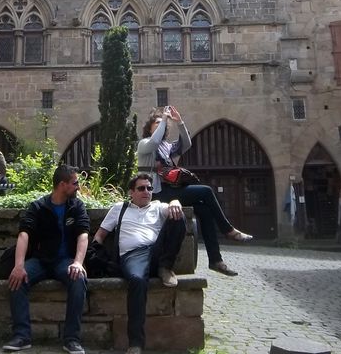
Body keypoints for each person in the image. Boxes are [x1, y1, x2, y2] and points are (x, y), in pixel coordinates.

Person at [136, 106, 252, 277]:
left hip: (171, 190)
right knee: (206, 191)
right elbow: (154, 142)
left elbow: (186, 144)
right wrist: (165, 119)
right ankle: (228, 230)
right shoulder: (145, 144)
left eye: (163, 124)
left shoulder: (166, 147)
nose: (162, 125)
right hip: (157, 193)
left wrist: (179, 122)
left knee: (204, 210)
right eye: (157, 123)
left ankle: (215, 260)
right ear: (150, 127)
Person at [93, 173, 186, 354]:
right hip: (133, 255)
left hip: (157, 252)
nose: (146, 191)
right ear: (131, 192)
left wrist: (175, 201)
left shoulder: (157, 207)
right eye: (141, 188)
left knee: (178, 216)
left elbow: (172, 209)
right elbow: (100, 235)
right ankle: (135, 343)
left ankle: (165, 267)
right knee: (136, 280)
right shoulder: (119, 208)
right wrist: (92, 255)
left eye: (149, 188)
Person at [3, 165, 89, 354]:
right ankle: (21, 336)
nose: (78, 186)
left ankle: (72, 339)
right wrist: (19, 266)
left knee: (78, 280)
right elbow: (24, 234)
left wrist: (78, 262)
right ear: (62, 185)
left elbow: (83, 235)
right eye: (75, 183)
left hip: (66, 261)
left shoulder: (77, 206)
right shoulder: (38, 207)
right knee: (17, 279)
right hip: (41, 260)